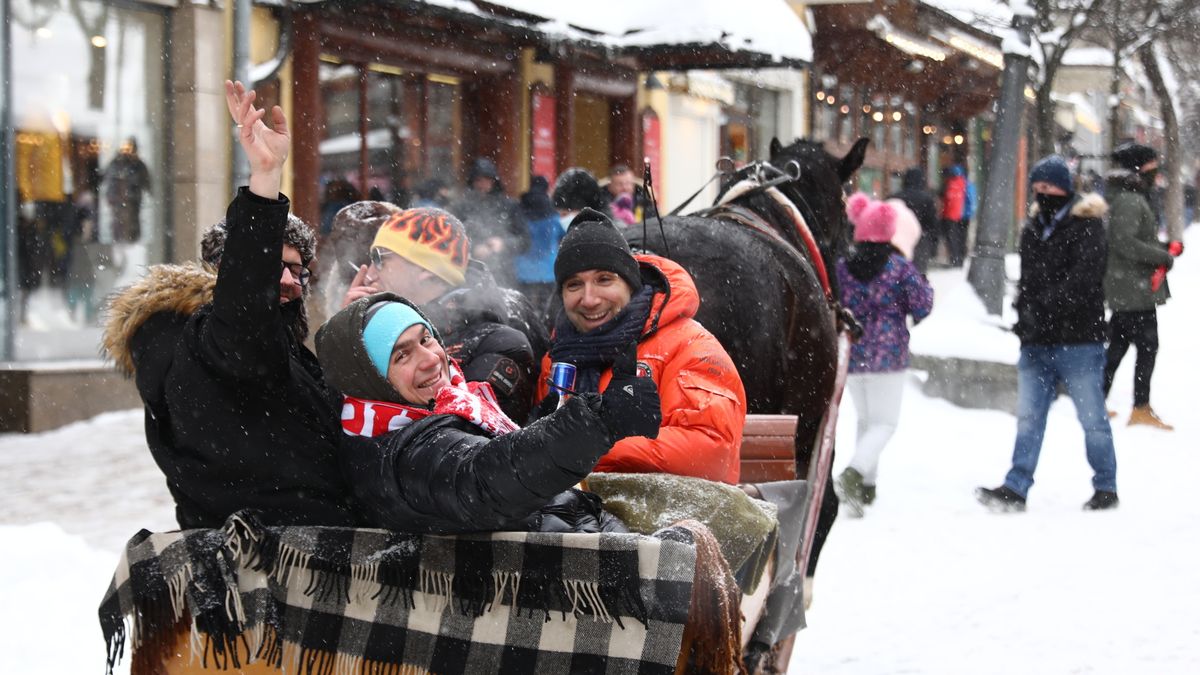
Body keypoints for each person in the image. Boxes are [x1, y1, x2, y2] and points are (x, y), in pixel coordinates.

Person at [101, 81, 358, 528]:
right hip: (265, 562)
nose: (287, 280)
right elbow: (244, 322)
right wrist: (264, 182)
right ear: (227, 270)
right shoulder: (200, 343)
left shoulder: (284, 351)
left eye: (297, 271)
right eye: (271, 265)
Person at [315, 293, 658, 534]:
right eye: (401, 356)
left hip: (576, 529)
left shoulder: (440, 406)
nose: (431, 359)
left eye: (426, 339)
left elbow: (492, 453)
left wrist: (551, 416)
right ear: (368, 380)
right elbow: (485, 475)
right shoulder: (400, 454)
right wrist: (599, 422)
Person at [534, 208, 747, 483]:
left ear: (631, 284)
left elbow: (712, 452)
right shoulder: (557, 358)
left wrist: (589, 447)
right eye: (574, 285)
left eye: (604, 280)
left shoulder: (690, 346)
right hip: (574, 515)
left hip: (669, 517)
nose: (589, 299)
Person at [976, 155, 1118, 512]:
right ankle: (1016, 485)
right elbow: (1029, 281)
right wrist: (1025, 315)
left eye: (1049, 186)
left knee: (1093, 420)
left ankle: (1106, 487)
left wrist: (1043, 310)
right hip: (1036, 342)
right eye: (1037, 186)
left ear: (1065, 188)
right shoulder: (1033, 228)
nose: (1042, 192)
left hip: (1079, 341)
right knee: (1028, 418)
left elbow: (1084, 282)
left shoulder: (1088, 226)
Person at [340, 207, 547, 421]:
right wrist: (348, 338)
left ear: (425, 270)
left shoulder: (497, 342)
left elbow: (459, 437)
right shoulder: (392, 328)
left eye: (380, 258)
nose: (369, 273)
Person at [835, 194, 933, 517]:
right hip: (888, 356)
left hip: (854, 353)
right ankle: (853, 473)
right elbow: (923, 304)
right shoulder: (899, 268)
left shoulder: (843, 266)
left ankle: (866, 487)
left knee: (866, 420)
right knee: (886, 423)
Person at [1101, 143, 1181, 430]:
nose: (1155, 169)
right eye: (1151, 165)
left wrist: (1163, 247)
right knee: (1147, 346)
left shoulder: (1129, 196)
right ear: (1138, 168)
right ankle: (1140, 407)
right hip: (1132, 288)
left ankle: (1097, 400)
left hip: (1131, 286)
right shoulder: (1131, 200)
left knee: (1119, 345)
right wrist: (1162, 255)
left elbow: (1132, 238)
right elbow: (1124, 242)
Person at [447, 157, 528, 285]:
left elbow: (525, 240)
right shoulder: (461, 207)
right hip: (469, 274)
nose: (482, 184)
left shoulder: (510, 206)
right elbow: (450, 238)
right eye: (479, 180)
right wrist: (472, 249)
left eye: (487, 180)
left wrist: (503, 244)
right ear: (472, 182)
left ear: (494, 181)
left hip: (504, 274)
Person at [514, 175, 563, 314]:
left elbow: (516, 232)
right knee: (545, 307)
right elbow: (561, 235)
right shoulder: (551, 210)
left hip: (523, 267)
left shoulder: (521, 207)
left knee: (523, 305)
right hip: (547, 268)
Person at [889, 167, 940, 274]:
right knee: (918, 276)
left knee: (896, 275)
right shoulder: (927, 199)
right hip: (921, 243)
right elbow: (933, 225)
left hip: (897, 242)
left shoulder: (894, 197)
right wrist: (934, 248)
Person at [104, 137, 151, 243]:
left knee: (130, 221)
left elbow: (146, 182)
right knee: (119, 221)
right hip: (120, 200)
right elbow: (108, 178)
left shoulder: (137, 165)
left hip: (130, 200)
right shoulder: (117, 163)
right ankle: (121, 240)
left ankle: (130, 241)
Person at [940, 163, 968, 267]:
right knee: (958, 238)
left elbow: (948, 199)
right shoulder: (963, 183)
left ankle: (955, 259)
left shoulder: (952, 184)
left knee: (952, 239)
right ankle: (958, 259)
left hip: (950, 215)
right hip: (958, 216)